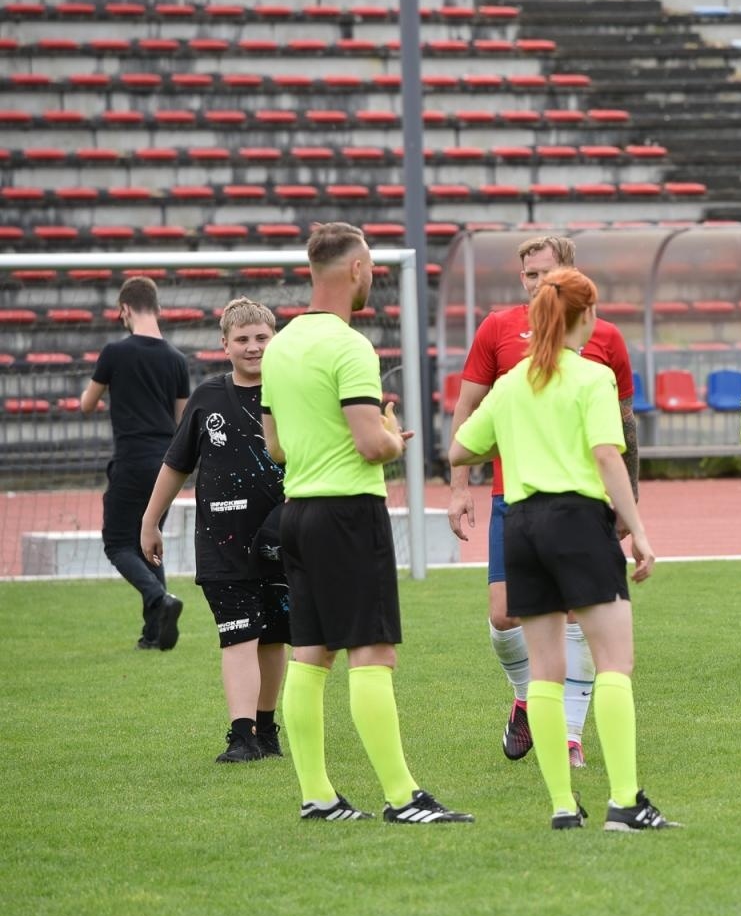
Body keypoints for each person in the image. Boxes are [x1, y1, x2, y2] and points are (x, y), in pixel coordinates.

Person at [451, 266, 678, 831]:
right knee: (614, 665)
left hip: (521, 525)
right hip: (576, 521)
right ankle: (626, 803)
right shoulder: (591, 377)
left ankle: (561, 806)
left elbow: (459, 450)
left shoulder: (511, 382)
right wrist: (639, 530)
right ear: (588, 315)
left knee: (544, 674)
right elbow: (607, 455)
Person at [261, 222, 472, 823]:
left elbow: (275, 449)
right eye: (371, 267)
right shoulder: (350, 346)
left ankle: (317, 796)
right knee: (373, 652)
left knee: (311, 655)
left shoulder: (281, 345)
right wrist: (388, 433)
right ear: (355, 269)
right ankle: (403, 798)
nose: (373, 276)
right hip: (348, 513)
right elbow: (369, 446)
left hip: (296, 512)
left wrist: (366, 434)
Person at [448, 235, 637, 770]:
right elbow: (466, 410)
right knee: (505, 616)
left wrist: (630, 500)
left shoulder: (607, 343)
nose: (535, 284)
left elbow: (623, 429)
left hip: (585, 501)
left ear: (570, 275)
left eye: (545, 274)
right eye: (528, 275)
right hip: (517, 498)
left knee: (575, 617)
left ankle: (569, 736)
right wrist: (461, 487)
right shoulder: (498, 331)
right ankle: (528, 698)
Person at [140, 298, 289, 764]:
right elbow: (176, 464)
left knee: (273, 636)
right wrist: (150, 520)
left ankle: (267, 730)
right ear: (224, 345)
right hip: (224, 541)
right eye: (242, 339)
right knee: (238, 635)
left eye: (261, 338)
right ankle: (241, 735)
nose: (253, 347)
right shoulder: (207, 397)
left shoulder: (292, 391)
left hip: (284, 537)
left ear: (275, 340)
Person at [80, 276, 190, 651]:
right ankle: (154, 633)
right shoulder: (177, 360)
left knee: (116, 543)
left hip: (131, 458)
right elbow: (182, 421)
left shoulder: (115, 352)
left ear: (125, 309)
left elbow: (86, 404)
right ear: (157, 308)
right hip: (166, 464)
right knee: (149, 539)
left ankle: (159, 599)